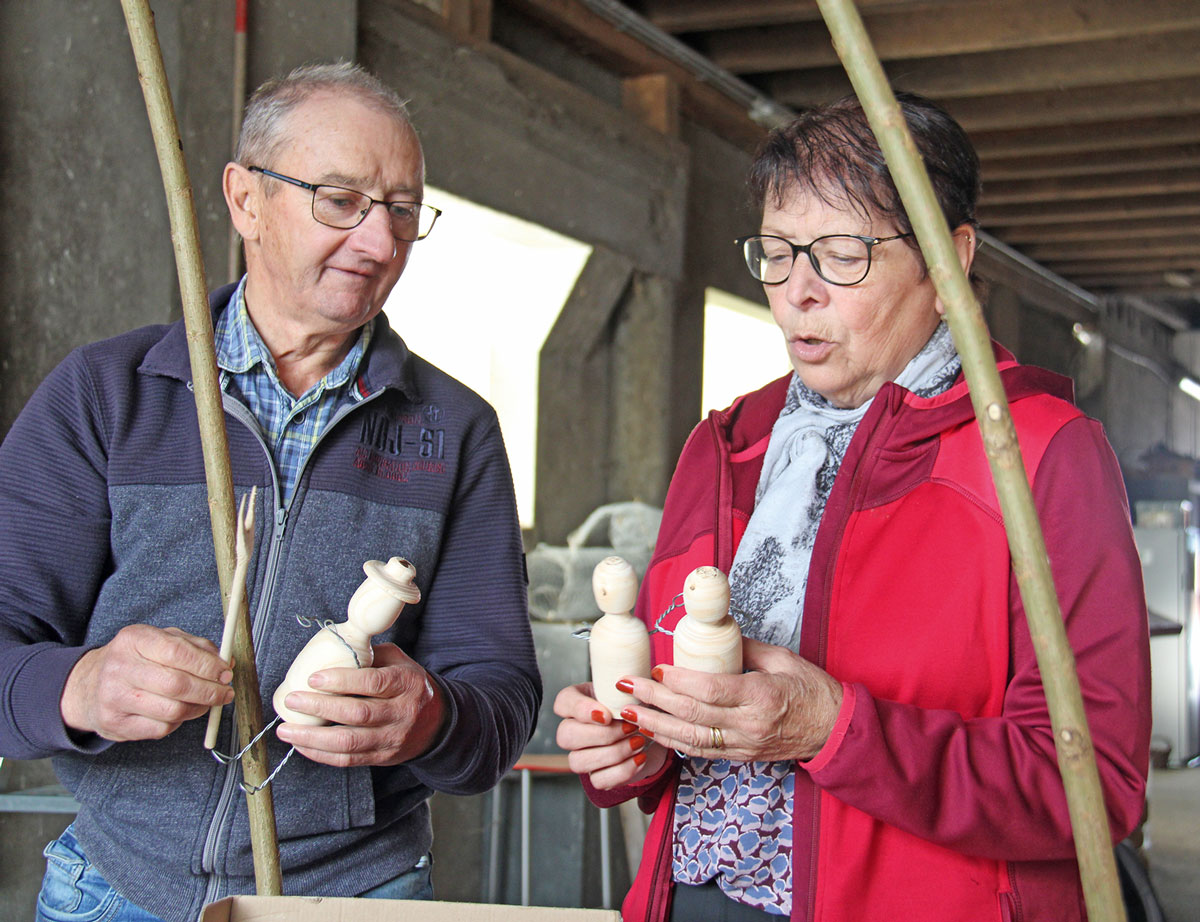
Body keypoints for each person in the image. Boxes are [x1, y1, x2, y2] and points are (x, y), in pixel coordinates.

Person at [554, 92, 1150, 922]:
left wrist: (833, 729)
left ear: (949, 263)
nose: (797, 292)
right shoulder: (728, 446)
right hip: (689, 899)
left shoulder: (1041, 454)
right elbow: (672, 707)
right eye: (776, 252)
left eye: (841, 255)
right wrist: (633, 747)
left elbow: (1095, 785)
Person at [0, 63, 540, 922]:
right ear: (245, 199)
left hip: (358, 895)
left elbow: (503, 700)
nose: (380, 243)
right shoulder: (106, 396)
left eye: (403, 210)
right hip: (115, 889)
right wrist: (81, 687)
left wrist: (433, 718)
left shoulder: (456, 429)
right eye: (342, 201)